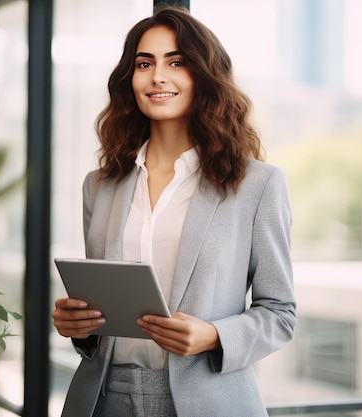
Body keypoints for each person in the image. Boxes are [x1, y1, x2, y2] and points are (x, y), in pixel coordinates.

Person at [51, 5, 296, 417]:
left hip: (208, 400)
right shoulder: (100, 186)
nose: (157, 76)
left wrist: (214, 335)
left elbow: (280, 314)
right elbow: (107, 307)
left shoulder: (257, 185)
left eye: (176, 62)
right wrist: (81, 327)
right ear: (130, 79)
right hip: (106, 398)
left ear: (203, 75)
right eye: (144, 63)